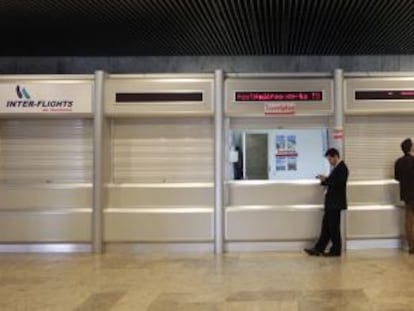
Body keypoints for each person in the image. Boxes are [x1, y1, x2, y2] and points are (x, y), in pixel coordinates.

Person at [305, 148, 349, 257]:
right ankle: (318, 249)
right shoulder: (336, 168)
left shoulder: (342, 168)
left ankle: (336, 250)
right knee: (326, 227)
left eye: (330, 159)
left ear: (335, 157)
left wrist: (326, 180)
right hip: (331, 203)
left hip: (335, 203)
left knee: (334, 227)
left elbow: (339, 183)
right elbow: (333, 182)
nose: (329, 161)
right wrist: (325, 180)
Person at [394, 138, 414, 255]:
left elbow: (397, 177)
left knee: (409, 221)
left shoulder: (398, 162)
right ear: (411, 147)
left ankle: (412, 246)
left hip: (407, 195)